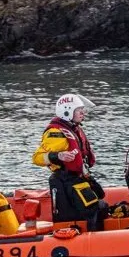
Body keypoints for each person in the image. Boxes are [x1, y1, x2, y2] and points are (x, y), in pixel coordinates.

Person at [32, 93, 107, 231]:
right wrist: (58, 155)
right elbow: (37, 157)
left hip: (78, 180)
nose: (83, 113)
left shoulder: (74, 128)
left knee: (101, 205)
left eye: (83, 110)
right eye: (79, 111)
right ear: (67, 111)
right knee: (92, 210)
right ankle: (92, 240)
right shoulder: (56, 133)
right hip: (67, 181)